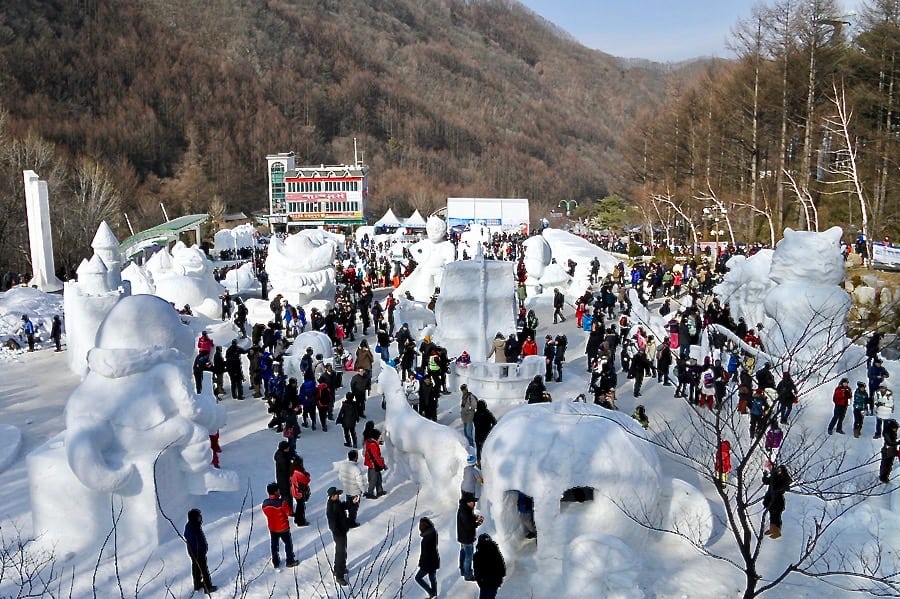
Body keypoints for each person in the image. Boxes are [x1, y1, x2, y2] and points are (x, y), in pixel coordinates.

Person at [327, 486, 359, 585]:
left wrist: (352, 502)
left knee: (341, 551)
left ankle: (339, 568)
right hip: (339, 533)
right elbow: (332, 524)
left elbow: (344, 506)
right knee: (340, 553)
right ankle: (339, 576)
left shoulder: (336, 502)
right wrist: (338, 532)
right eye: (337, 494)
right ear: (332, 496)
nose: (338, 496)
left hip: (342, 532)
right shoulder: (332, 507)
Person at [261, 482, 298, 569]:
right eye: (278, 490)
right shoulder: (282, 503)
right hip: (283, 527)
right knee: (288, 544)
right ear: (275, 492)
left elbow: (266, 513)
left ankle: (275, 562)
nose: (279, 491)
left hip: (272, 528)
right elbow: (289, 512)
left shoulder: (265, 503)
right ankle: (290, 561)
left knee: (274, 545)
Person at [184, 508, 216, 593]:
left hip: (193, 552)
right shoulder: (194, 528)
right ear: (194, 518)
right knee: (203, 570)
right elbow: (198, 541)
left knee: (196, 568)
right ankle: (208, 587)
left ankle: (197, 585)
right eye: (199, 516)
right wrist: (201, 551)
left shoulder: (190, 525)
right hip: (198, 553)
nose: (201, 517)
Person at [337, 450, 366, 527]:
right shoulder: (356, 469)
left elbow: (340, 477)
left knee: (349, 505)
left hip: (347, 491)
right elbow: (360, 483)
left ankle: (348, 519)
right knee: (354, 508)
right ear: (356, 458)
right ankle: (351, 522)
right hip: (355, 493)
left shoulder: (343, 466)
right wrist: (364, 491)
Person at [456, 496, 483, 581]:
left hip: (463, 537)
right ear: (468, 502)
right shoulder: (465, 511)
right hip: (467, 538)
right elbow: (468, 525)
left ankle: (463, 570)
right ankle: (468, 575)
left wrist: (476, 517)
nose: (474, 504)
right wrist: (478, 523)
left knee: (463, 553)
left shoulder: (464, 508)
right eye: (472, 502)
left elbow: (469, 518)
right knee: (468, 557)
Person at [472, 533, 506, 599]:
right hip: (494, 582)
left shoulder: (477, 555)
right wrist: (500, 579)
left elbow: (476, 571)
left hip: (484, 583)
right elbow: (502, 567)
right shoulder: (495, 552)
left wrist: (479, 581)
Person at [762, 465, 791, 539]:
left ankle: (777, 531)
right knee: (772, 515)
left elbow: (787, 485)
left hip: (777, 500)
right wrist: (765, 475)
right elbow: (766, 481)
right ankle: (773, 529)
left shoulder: (784, 478)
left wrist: (780, 488)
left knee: (776, 516)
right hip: (770, 499)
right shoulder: (773, 477)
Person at [415, 517, 440, 598]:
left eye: (421, 526)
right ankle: (434, 595)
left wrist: (422, 563)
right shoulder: (432, 532)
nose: (419, 528)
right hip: (434, 561)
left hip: (428, 563)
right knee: (432, 578)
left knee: (418, 578)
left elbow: (426, 553)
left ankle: (432, 593)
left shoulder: (427, 538)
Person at [363, 428, 387, 498]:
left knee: (378, 478)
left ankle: (379, 491)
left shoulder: (369, 442)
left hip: (373, 464)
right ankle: (370, 493)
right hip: (374, 464)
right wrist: (382, 465)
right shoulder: (373, 445)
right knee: (373, 479)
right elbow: (376, 457)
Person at [290, 456, 311, 526]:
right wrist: (307, 475)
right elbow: (306, 480)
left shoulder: (292, 470)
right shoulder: (298, 472)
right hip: (299, 492)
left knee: (299, 506)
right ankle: (300, 521)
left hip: (294, 491)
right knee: (301, 507)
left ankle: (297, 519)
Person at [880, 419, 899, 483]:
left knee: (889, 465)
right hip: (887, 450)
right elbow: (889, 442)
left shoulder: (892, 432)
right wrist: (898, 443)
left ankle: (885, 476)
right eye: (895, 429)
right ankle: (883, 477)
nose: (895, 430)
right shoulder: (887, 432)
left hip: (891, 450)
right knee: (886, 465)